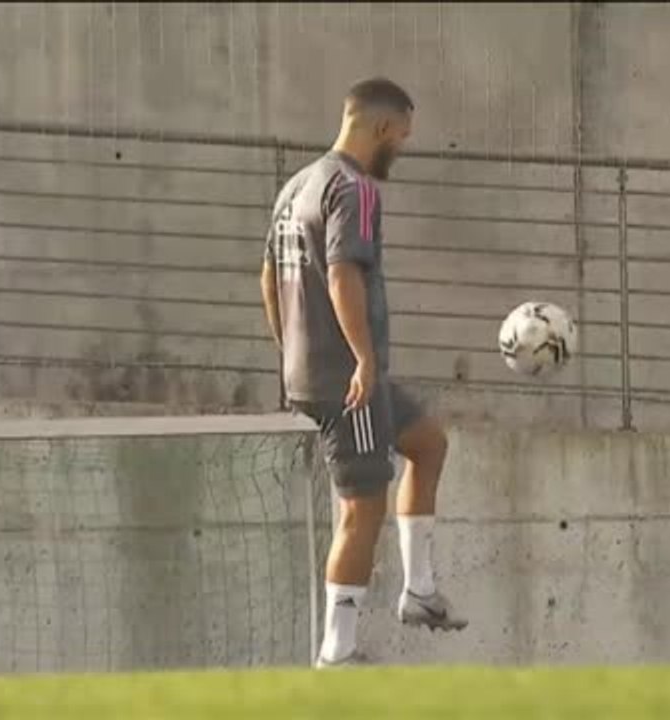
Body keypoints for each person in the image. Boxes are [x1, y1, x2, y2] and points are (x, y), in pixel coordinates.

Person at [260, 77, 467, 668]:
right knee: (361, 509)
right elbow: (342, 274)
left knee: (427, 442)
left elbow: (268, 280)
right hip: (349, 377)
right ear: (381, 127)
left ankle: (419, 591)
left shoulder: (296, 185)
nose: (399, 149)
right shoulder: (355, 189)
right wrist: (364, 359)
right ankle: (338, 651)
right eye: (400, 137)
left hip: (317, 370)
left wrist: (289, 353)